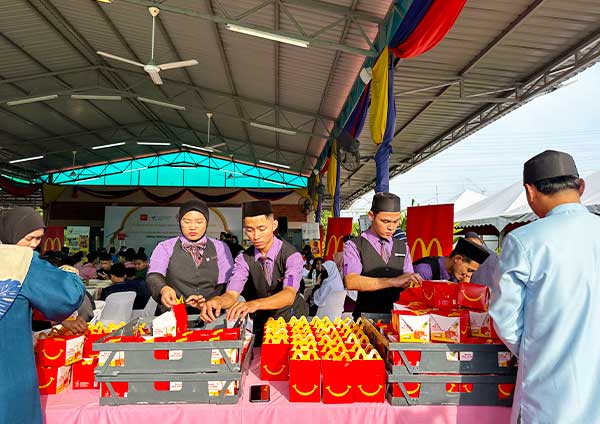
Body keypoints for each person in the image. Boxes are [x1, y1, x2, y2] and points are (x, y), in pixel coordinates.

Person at [490, 150, 600, 424]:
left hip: (552, 387)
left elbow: (505, 318)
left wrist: (538, 346)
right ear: (581, 186)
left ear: (530, 192)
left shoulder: (525, 240)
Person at [0, 212, 85, 424]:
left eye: (38, 239)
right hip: (9, 365)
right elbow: (66, 295)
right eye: (29, 238)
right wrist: (70, 273)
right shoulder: (22, 262)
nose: (33, 245)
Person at [199, 200, 308, 340]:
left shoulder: (291, 256)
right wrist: (218, 301)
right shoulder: (244, 258)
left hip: (293, 318)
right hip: (264, 319)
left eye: (262, 229)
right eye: (249, 230)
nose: (255, 236)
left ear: (274, 225)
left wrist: (254, 304)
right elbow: (232, 294)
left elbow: (289, 295)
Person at [146, 200, 234, 314]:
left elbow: (225, 282)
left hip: (211, 313)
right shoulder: (165, 247)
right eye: (187, 222)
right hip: (172, 314)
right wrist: (163, 289)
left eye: (199, 222)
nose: (193, 227)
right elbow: (154, 275)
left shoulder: (220, 247)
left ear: (206, 222)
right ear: (179, 222)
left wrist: (211, 300)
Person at [343, 192, 422, 318]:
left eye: (396, 221)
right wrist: (393, 281)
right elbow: (351, 281)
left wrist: (412, 280)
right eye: (385, 221)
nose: (391, 227)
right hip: (365, 319)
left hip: (397, 319)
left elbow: (407, 276)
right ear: (371, 216)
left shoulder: (402, 247)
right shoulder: (355, 245)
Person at [413, 237, 490, 283]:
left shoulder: (455, 276)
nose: (469, 275)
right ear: (457, 259)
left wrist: (463, 287)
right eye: (469, 270)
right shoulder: (425, 271)